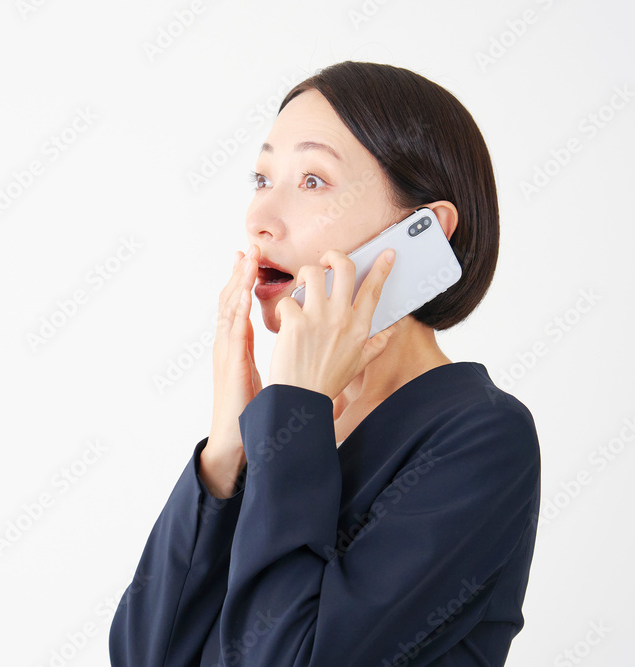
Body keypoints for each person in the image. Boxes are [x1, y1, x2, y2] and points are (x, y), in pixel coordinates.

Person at [109, 61, 541, 667]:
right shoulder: (285, 430)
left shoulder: (484, 438)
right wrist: (227, 456)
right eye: (262, 178)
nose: (259, 219)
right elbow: (142, 658)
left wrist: (294, 414)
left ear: (424, 230)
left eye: (313, 180)